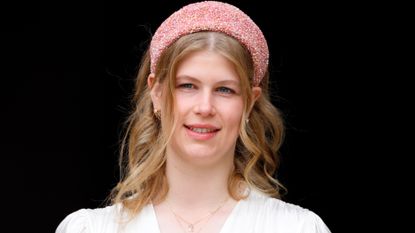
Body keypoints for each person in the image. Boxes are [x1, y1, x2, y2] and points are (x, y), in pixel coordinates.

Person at [56, 1, 331, 232]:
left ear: (249, 103)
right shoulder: (91, 229)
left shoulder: (297, 228)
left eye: (225, 89)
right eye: (187, 85)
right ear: (157, 93)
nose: (205, 107)